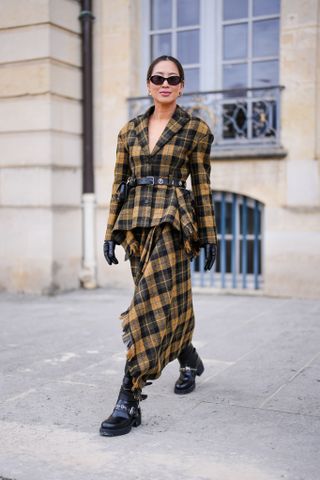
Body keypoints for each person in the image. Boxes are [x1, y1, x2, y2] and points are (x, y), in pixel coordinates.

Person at [100, 55, 217, 437]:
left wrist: (209, 235)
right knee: (163, 303)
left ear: (182, 86)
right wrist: (109, 233)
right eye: (157, 77)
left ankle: (127, 398)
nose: (165, 83)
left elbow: (200, 185)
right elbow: (119, 182)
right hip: (135, 224)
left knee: (147, 305)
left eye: (173, 78)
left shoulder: (195, 129)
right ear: (149, 85)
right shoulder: (128, 131)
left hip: (172, 221)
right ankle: (189, 358)